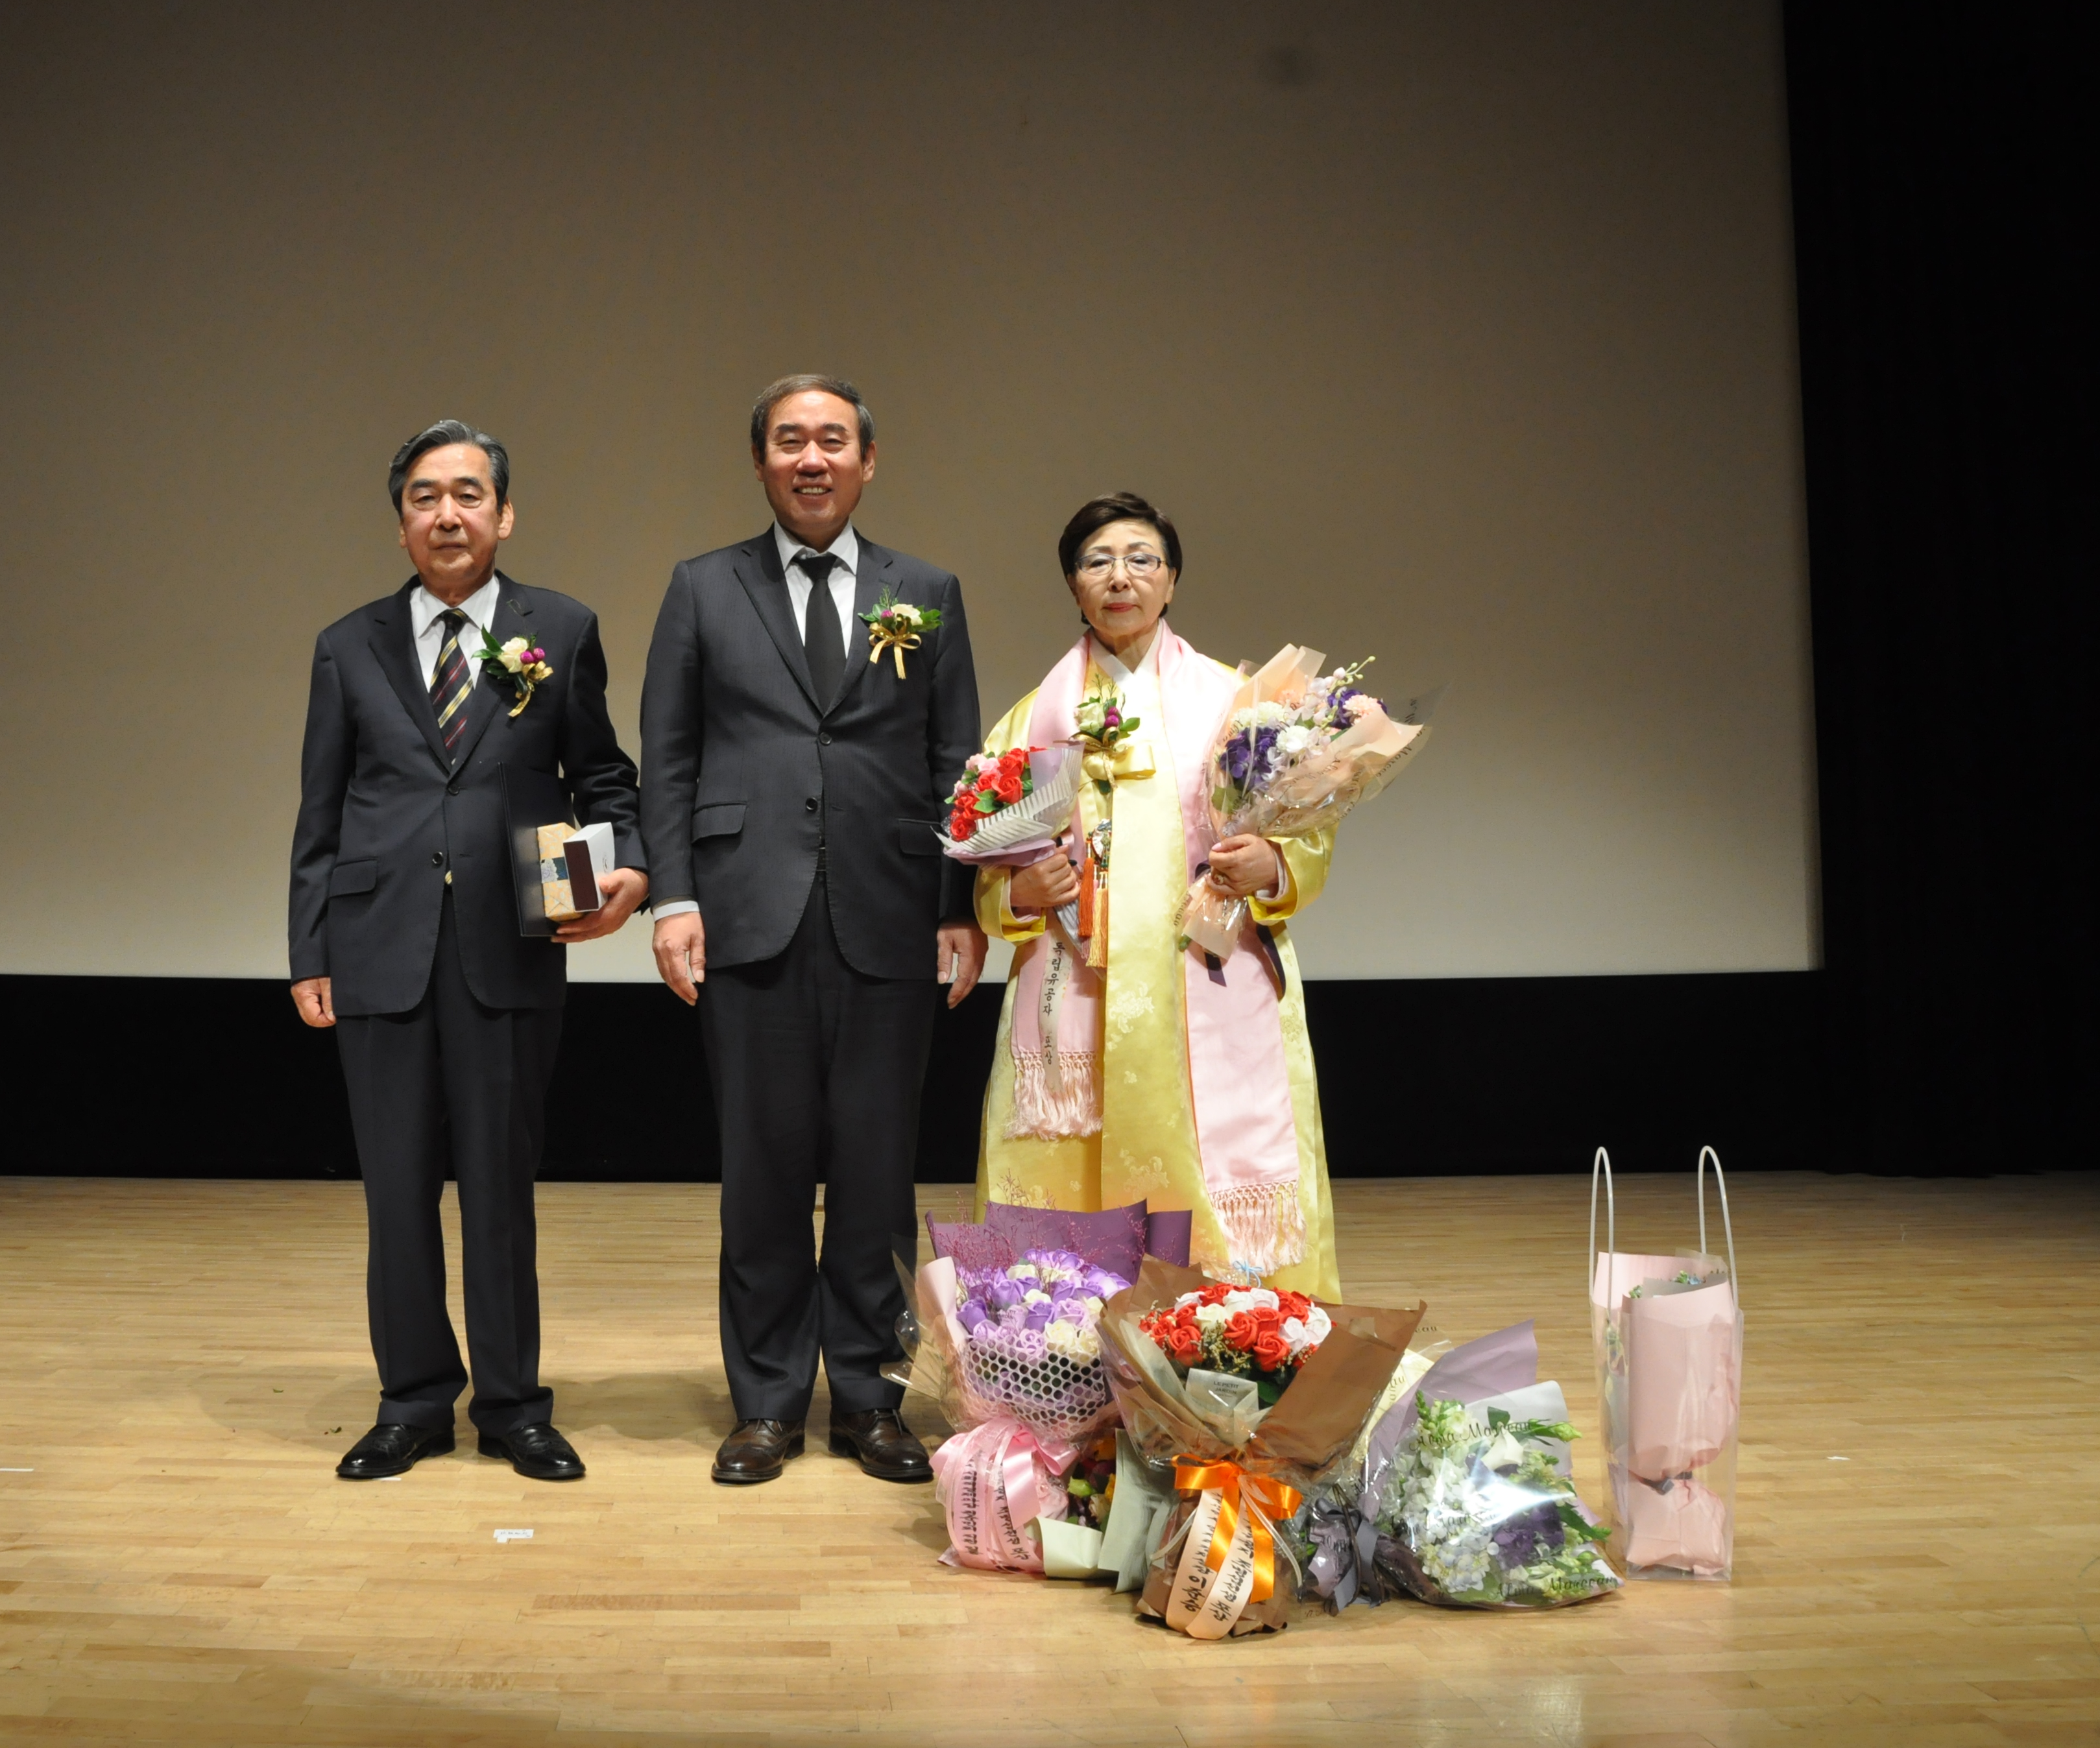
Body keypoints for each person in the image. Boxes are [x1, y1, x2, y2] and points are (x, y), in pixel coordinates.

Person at [640, 375, 987, 1485]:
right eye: (788, 439)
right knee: (763, 1170)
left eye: (830, 439)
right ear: (759, 462)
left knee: (879, 1173)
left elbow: (954, 763)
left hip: (888, 915)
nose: (810, 457)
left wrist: (957, 906)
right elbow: (671, 753)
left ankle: (873, 1400)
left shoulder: (924, 589)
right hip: (748, 915)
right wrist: (674, 897)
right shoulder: (702, 586)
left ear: (866, 460)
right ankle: (768, 1402)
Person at [287, 419, 647, 1481]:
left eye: (469, 494)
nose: (448, 513)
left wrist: (603, 880)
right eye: (425, 497)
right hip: (378, 946)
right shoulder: (345, 644)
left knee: (500, 1185)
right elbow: (320, 809)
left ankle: (511, 1404)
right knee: (395, 1191)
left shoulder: (563, 628)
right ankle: (410, 1399)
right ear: (401, 520)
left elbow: (604, 784)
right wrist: (310, 946)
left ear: (503, 512)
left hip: (511, 945)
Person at [970, 494, 1340, 1296]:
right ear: (1072, 585)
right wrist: (1020, 892)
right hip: (1080, 990)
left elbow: (1309, 835)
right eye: (1097, 561)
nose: (1120, 577)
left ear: (1171, 582)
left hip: (1204, 980)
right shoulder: (1032, 720)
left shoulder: (1240, 705)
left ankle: (1232, 1356)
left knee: (1211, 1168)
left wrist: (1270, 865)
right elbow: (988, 871)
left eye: (1142, 559)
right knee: (1067, 1182)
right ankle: (1059, 1356)